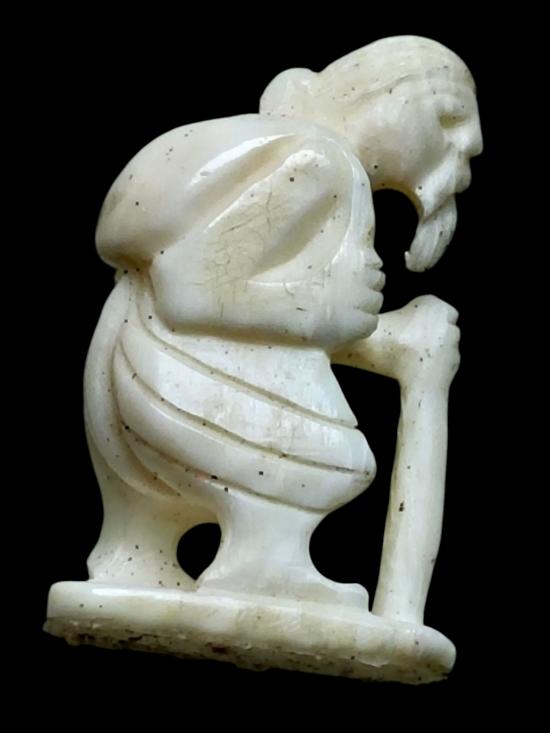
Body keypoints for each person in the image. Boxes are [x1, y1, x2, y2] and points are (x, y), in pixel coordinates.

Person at [86, 36, 482, 614]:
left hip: (123, 385)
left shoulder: (279, 148)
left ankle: (136, 554)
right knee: (339, 462)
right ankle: (265, 566)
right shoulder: (320, 164)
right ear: (406, 104)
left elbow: (247, 310)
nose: (461, 163)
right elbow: (190, 289)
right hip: (173, 391)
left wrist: (369, 331)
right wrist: (332, 311)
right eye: (450, 129)